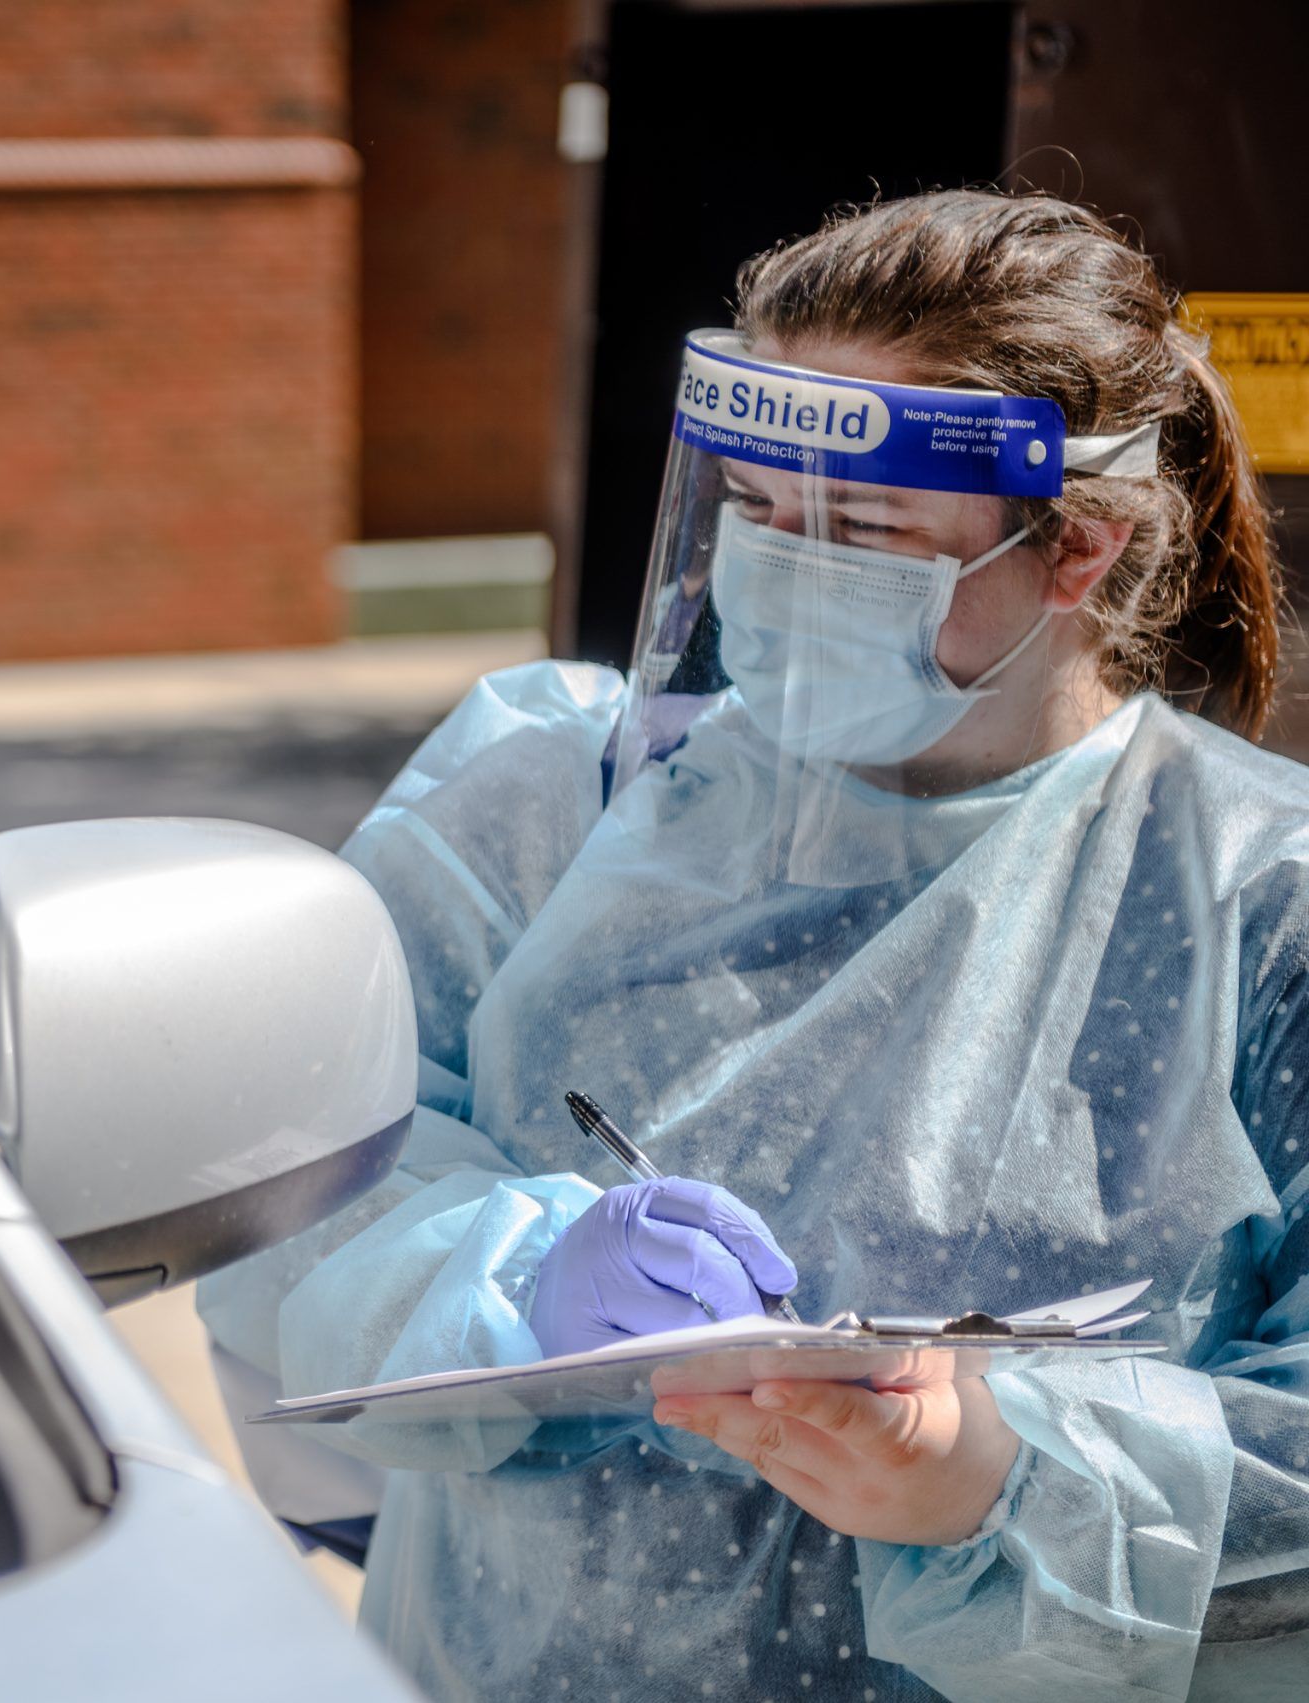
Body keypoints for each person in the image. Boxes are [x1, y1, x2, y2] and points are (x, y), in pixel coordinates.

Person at [200, 189, 1309, 1701]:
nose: (783, 566)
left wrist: (997, 1484)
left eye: (862, 528)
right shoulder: (558, 788)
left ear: (1079, 551)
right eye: (759, 509)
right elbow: (284, 1201)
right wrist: (515, 1286)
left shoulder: (1260, 895)